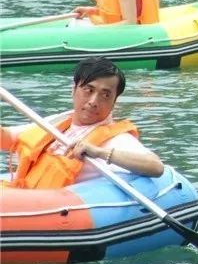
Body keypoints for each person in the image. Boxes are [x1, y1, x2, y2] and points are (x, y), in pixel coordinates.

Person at [1, 58, 164, 190]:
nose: (94, 101)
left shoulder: (116, 139)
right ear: (74, 90)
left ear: (115, 101)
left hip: (57, 211)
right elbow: (6, 137)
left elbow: (156, 167)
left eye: (105, 95)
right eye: (88, 90)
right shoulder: (60, 122)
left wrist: (99, 152)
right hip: (24, 195)